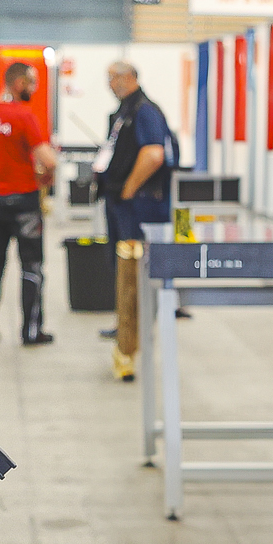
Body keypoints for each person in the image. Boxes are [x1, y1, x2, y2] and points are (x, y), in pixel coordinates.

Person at [0, 59, 59, 346]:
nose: (34, 88)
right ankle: (31, 332)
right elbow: (49, 159)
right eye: (32, 83)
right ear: (19, 84)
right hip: (23, 202)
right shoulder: (23, 116)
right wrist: (45, 179)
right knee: (31, 266)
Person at [97, 61, 175, 379]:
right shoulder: (125, 111)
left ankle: (134, 333)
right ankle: (126, 325)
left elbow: (154, 153)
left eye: (112, 78)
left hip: (138, 205)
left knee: (135, 272)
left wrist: (129, 190)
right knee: (122, 270)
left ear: (129, 78)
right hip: (122, 202)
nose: (109, 85)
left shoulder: (144, 110)